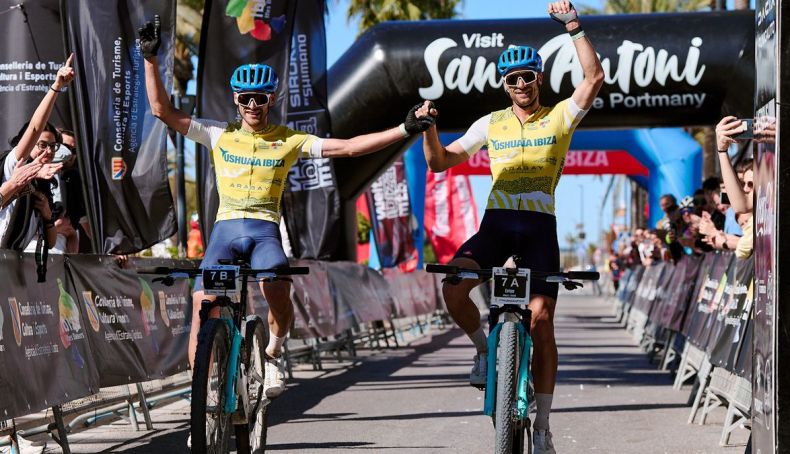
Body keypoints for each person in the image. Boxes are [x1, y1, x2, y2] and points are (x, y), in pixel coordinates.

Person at [138, 16, 434, 406]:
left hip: (263, 231)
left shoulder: (289, 140)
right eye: (246, 98)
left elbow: (348, 148)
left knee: (276, 285)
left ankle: (274, 351)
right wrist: (150, 59)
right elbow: (161, 109)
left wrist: (404, 129)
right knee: (201, 304)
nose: (253, 105)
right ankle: (202, 402)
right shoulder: (218, 133)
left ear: (272, 99)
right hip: (225, 231)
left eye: (260, 98)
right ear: (236, 100)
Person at [416, 2, 603, 451]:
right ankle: (484, 350)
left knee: (542, 322)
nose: (521, 84)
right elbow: (439, 162)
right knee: (454, 288)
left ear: (539, 78)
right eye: (513, 78)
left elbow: (594, 78)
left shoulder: (559, 116)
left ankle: (542, 429)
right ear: (504, 84)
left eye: (527, 76)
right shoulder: (491, 124)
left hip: (539, 230)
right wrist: (428, 128)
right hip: (496, 226)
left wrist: (573, 26)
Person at [0, 56, 74, 250]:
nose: (48, 151)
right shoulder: (15, 165)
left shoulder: (42, 184)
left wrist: (48, 216)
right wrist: (56, 87)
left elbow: (50, 243)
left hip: (13, 263)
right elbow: (35, 127)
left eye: (53, 146)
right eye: (42, 145)